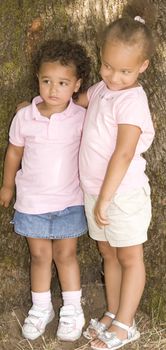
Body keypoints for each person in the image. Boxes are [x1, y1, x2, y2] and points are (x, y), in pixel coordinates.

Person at [0, 39, 91, 342]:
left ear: (76, 85)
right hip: (32, 201)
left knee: (66, 255)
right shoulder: (25, 116)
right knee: (39, 256)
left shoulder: (81, 117)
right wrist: (7, 185)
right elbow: (14, 152)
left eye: (63, 83)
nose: (53, 89)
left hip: (70, 200)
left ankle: (72, 308)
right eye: (47, 81)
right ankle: (41, 309)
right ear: (37, 79)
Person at [78, 0, 156, 349]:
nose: (114, 76)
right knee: (107, 254)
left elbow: (124, 152)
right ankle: (112, 311)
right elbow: (78, 100)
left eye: (124, 71)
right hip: (96, 193)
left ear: (143, 66)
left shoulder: (132, 100)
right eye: (107, 66)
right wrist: (39, 104)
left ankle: (126, 323)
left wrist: (106, 199)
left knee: (129, 256)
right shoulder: (102, 89)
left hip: (120, 195)